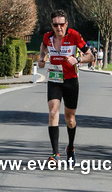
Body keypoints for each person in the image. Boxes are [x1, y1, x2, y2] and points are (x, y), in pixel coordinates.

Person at [37, 10, 94, 166]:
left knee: (70, 119)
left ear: (66, 24)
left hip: (71, 81)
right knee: (53, 111)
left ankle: (71, 147)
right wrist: (42, 57)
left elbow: (90, 56)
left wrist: (77, 59)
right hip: (55, 79)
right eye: (55, 25)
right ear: (52, 25)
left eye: (61, 24)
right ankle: (55, 154)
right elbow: (43, 46)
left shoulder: (74, 35)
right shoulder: (47, 37)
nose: (59, 28)